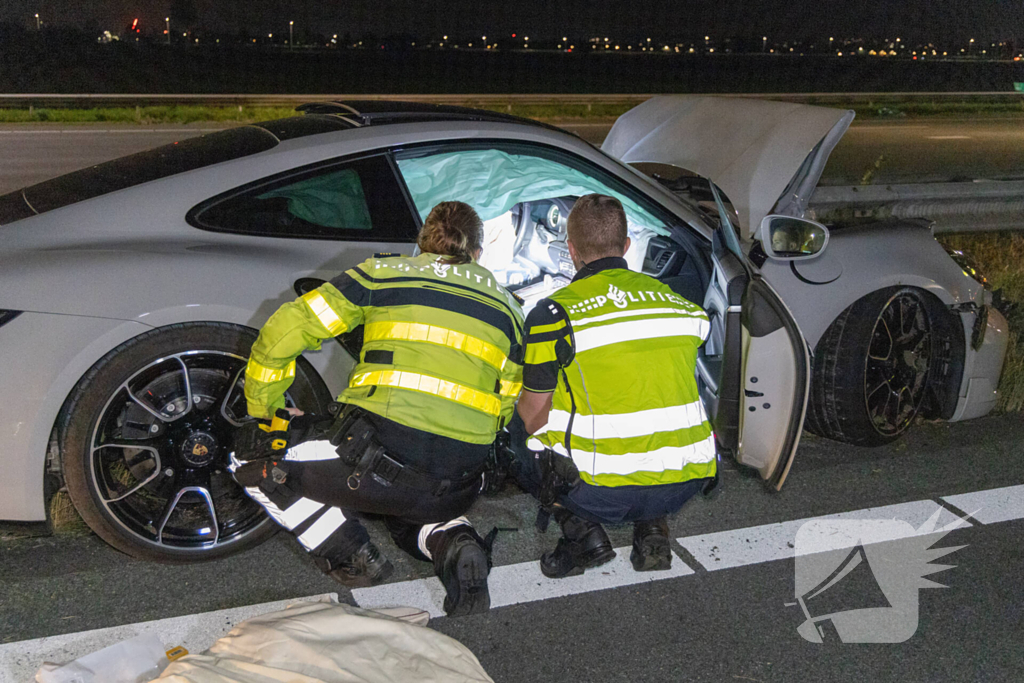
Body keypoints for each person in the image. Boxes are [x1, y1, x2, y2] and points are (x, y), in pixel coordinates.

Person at [233, 201, 524, 616]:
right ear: (477, 253)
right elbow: (506, 402)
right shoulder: (511, 310)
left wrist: (269, 413)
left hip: (372, 460)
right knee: (408, 497)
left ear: (421, 244)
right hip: (459, 480)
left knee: (248, 453)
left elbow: (284, 330)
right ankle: (452, 540)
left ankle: (350, 553)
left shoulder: (383, 274)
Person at [512, 193, 716, 578]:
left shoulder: (553, 314)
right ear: (626, 246)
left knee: (516, 431)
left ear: (571, 249)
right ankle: (653, 529)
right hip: (685, 482)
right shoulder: (678, 303)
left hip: (600, 493)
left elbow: (534, 416)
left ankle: (582, 534)